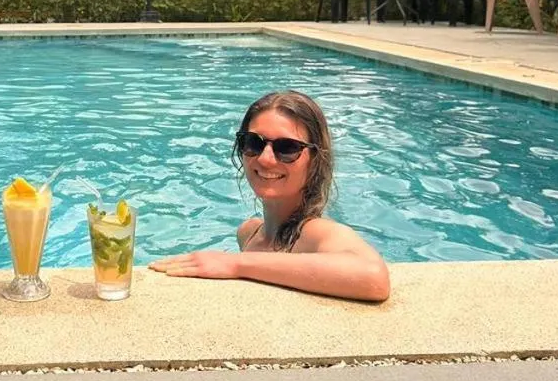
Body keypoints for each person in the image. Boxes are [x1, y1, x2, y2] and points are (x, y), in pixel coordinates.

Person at [150, 90, 390, 302]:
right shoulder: (248, 233)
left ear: (316, 160)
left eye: (287, 148)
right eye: (253, 142)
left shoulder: (316, 232)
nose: (265, 159)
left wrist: (234, 264)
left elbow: (373, 276)